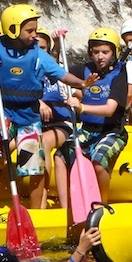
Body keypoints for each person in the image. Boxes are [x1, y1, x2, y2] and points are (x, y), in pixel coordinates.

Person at [0, 4, 94, 208]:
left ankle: (36, 211)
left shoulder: (38, 56)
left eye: (35, 29)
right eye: (30, 31)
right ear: (13, 30)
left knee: (35, 166)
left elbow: (62, 75)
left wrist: (81, 83)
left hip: (29, 115)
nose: (35, 35)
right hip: (4, 111)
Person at [55, 27, 129, 206]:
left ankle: (101, 205)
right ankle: (65, 206)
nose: (100, 56)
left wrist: (81, 107)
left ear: (114, 53)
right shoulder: (85, 70)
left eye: (105, 52)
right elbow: (57, 71)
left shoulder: (120, 74)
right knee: (60, 155)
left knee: (98, 160)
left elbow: (110, 109)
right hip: (88, 130)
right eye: (95, 52)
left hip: (112, 132)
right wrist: (58, 45)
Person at [35, 26, 73, 208]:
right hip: (37, 124)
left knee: (44, 142)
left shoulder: (56, 69)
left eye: (42, 48)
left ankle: (42, 202)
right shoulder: (27, 71)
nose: (38, 51)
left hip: (61, 125)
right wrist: (39, 103)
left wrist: (58, 44)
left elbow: (54, 61)